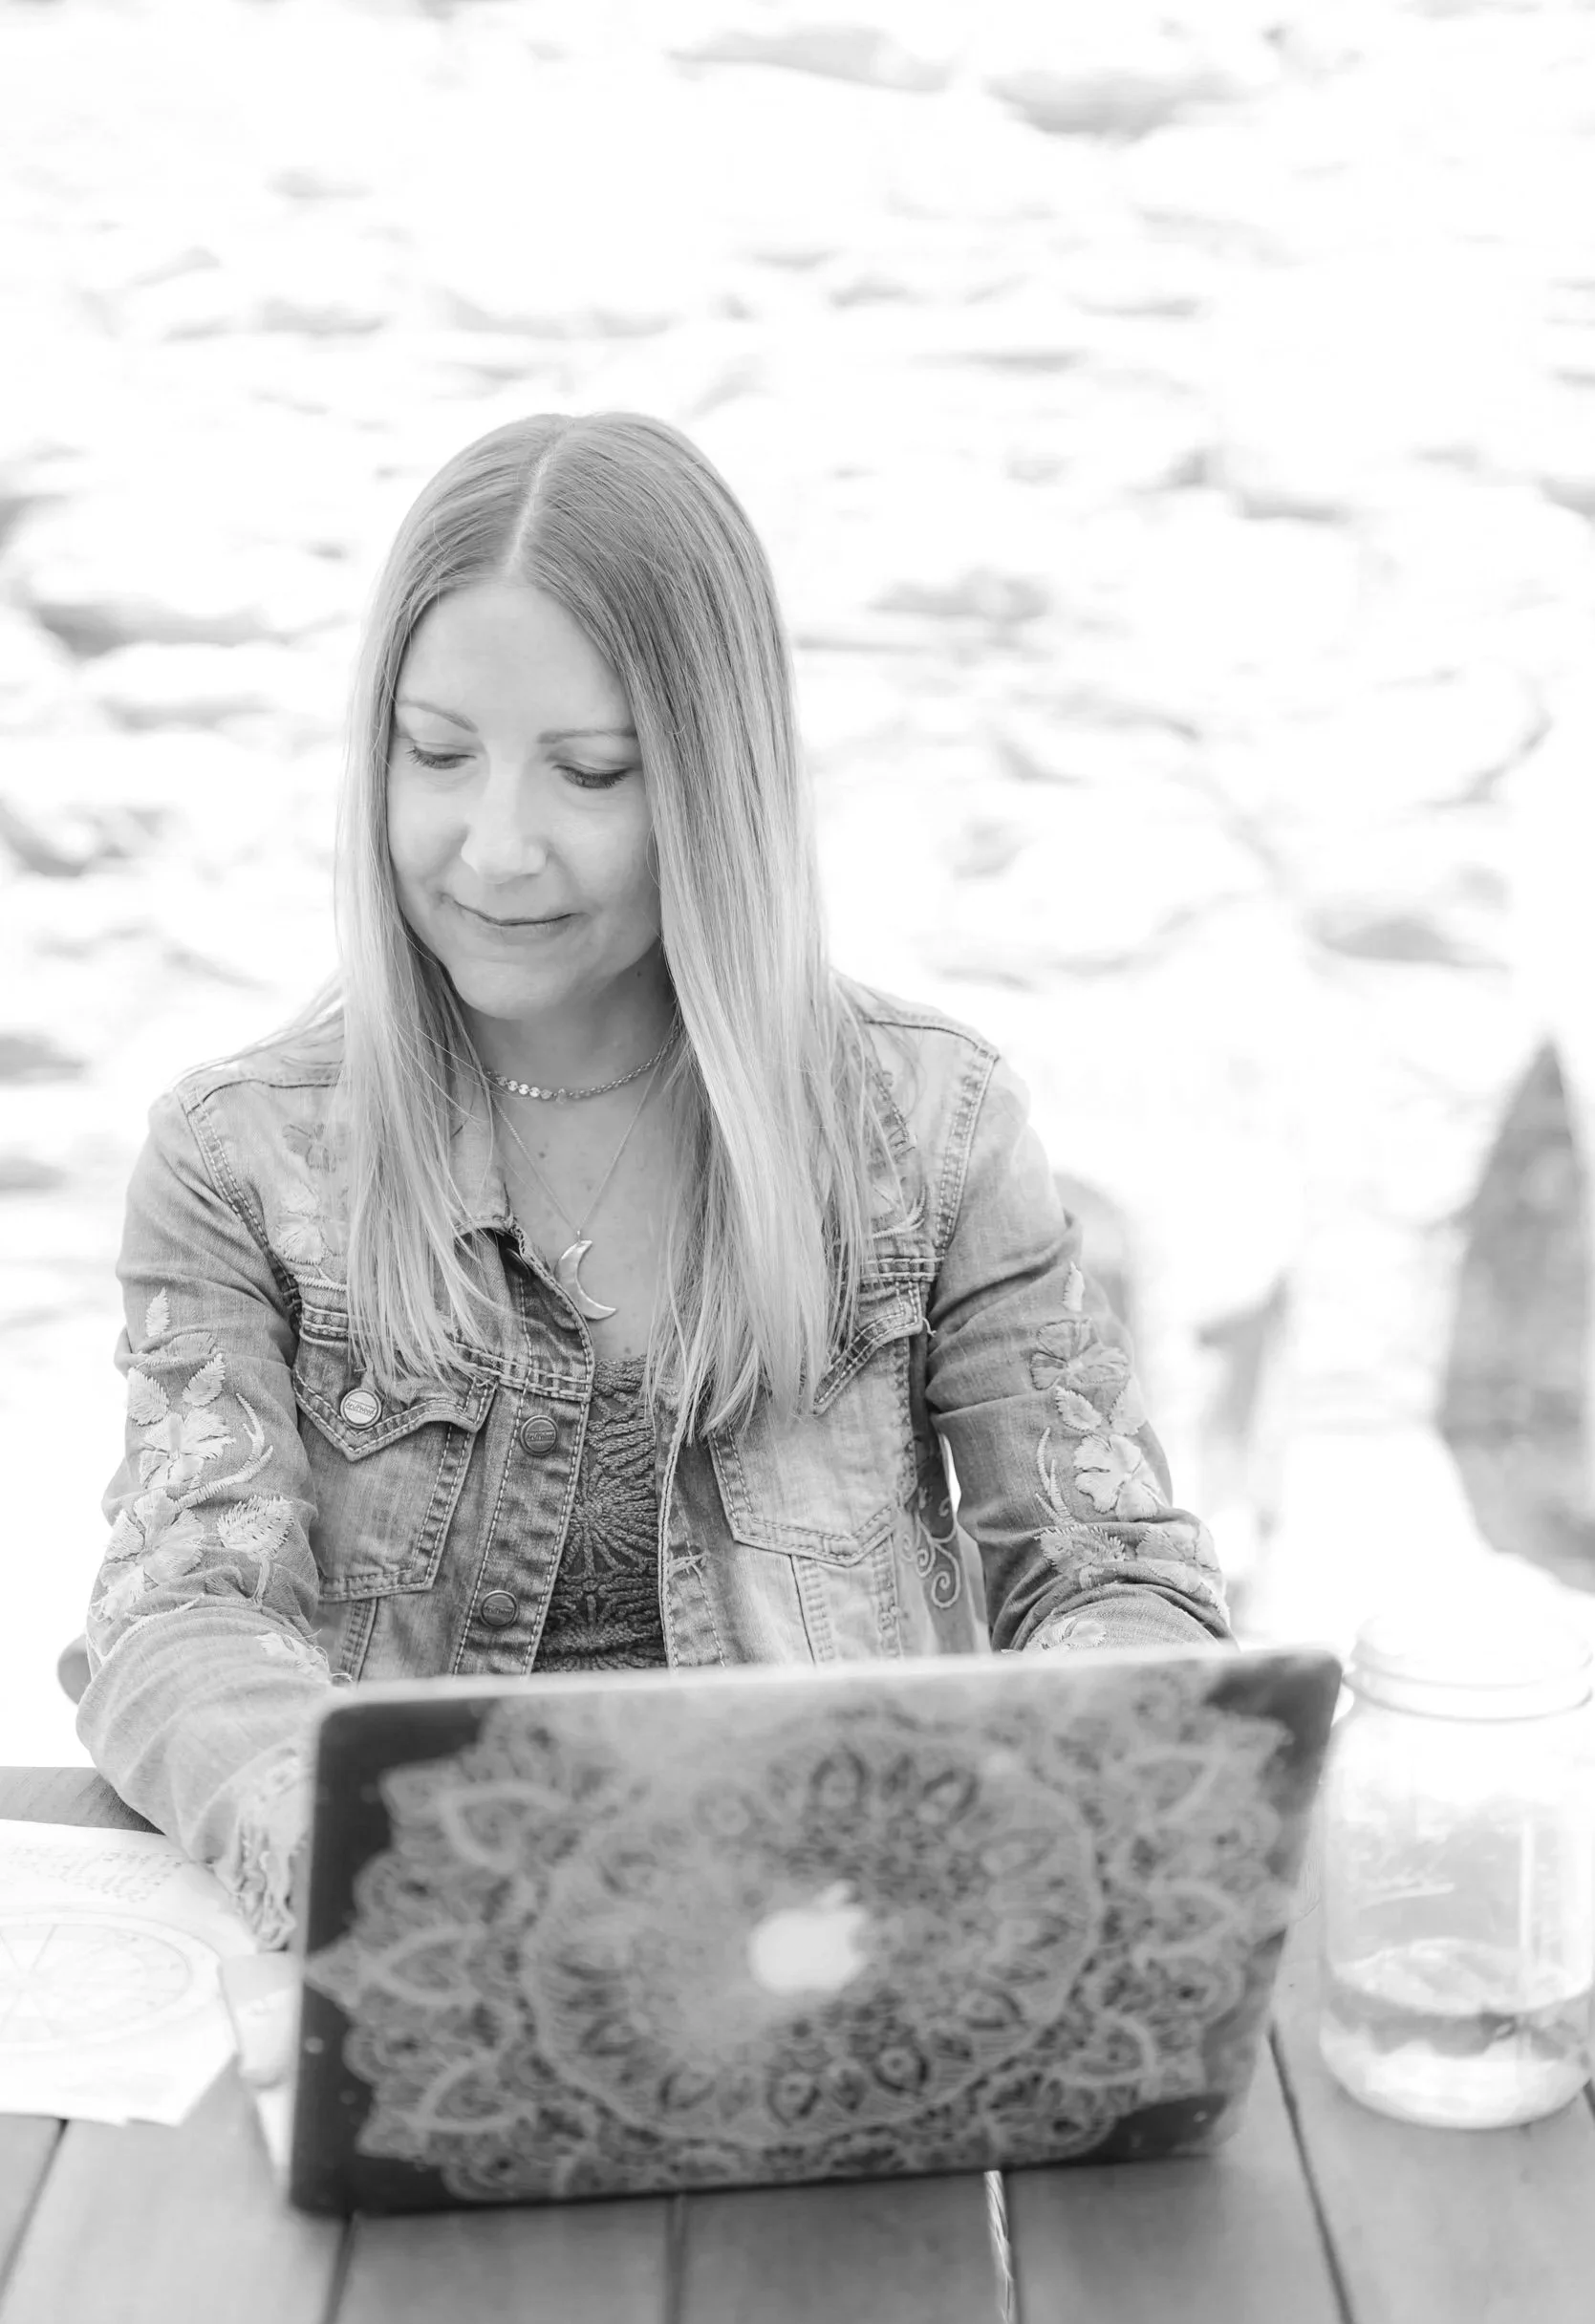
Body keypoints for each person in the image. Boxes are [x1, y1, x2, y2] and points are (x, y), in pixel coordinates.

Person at [77, 413, 1230, 1947]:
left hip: (830, 1959)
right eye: (435, 754)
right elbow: (180, 1609)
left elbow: (1111, 1572)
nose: (495, 849)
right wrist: (340, 1838)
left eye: (591, 772)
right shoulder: (239, 1160)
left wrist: (1047, 1778)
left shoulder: (934, 1127)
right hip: (424, 1964)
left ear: (714, 780)